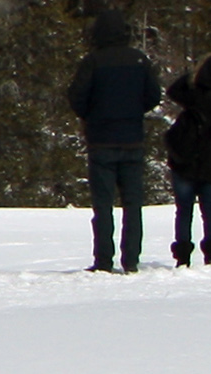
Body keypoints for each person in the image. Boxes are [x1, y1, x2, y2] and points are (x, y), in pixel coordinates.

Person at [61, 17, 154, 276]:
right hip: (133, 138)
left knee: (103, 205)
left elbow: (76, 97)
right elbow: (154, 95)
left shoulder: (93, 61)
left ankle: (104, 259)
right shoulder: (139, 60)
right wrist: (133, 112)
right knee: (133, 204)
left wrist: (92, 116)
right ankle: (131, 260)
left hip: (101, 140)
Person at [162, 52, 211, 270]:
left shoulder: (195, 97)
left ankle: (183, 255)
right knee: (210, 209)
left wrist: (192, 74)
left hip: (186, 159)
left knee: (184, 209)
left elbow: (173, 90)